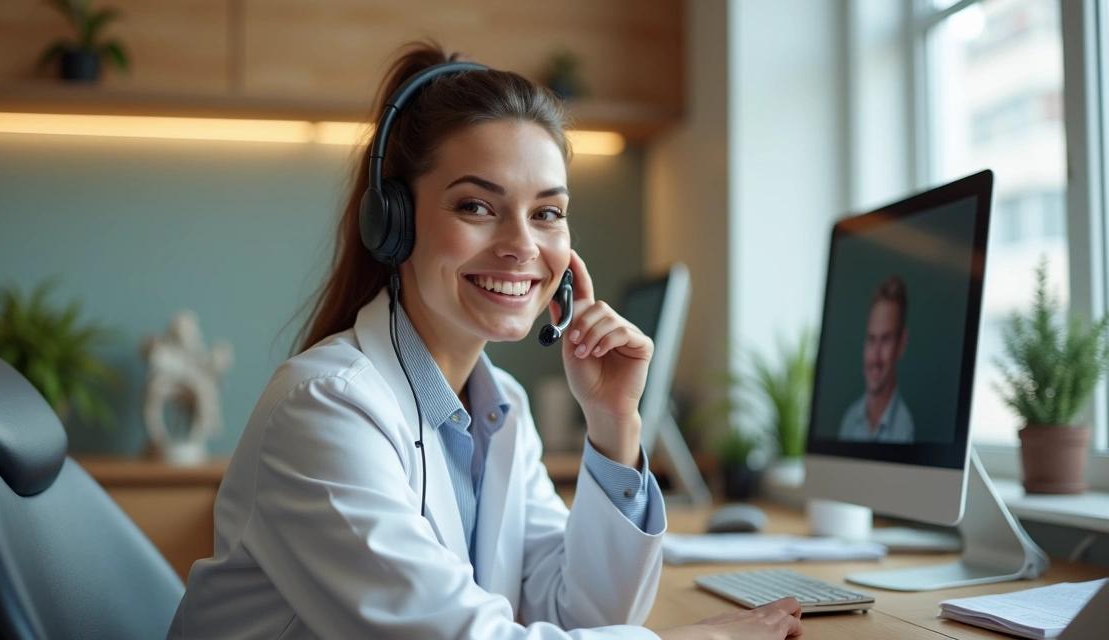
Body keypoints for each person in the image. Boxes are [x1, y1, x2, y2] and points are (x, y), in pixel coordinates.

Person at [167, 41, 803, 640]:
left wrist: (614, 426)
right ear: (394, 223)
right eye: (476, 206)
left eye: (547, 213)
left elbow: (582, 611)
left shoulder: (501, 409)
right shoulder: (323, 409)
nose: (522, 246)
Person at [838, 275, 916, 443]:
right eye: (871, 339)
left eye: (885, 339)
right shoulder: (848, 422)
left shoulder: (907, 430)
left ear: (901, 344)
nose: (875, 357)